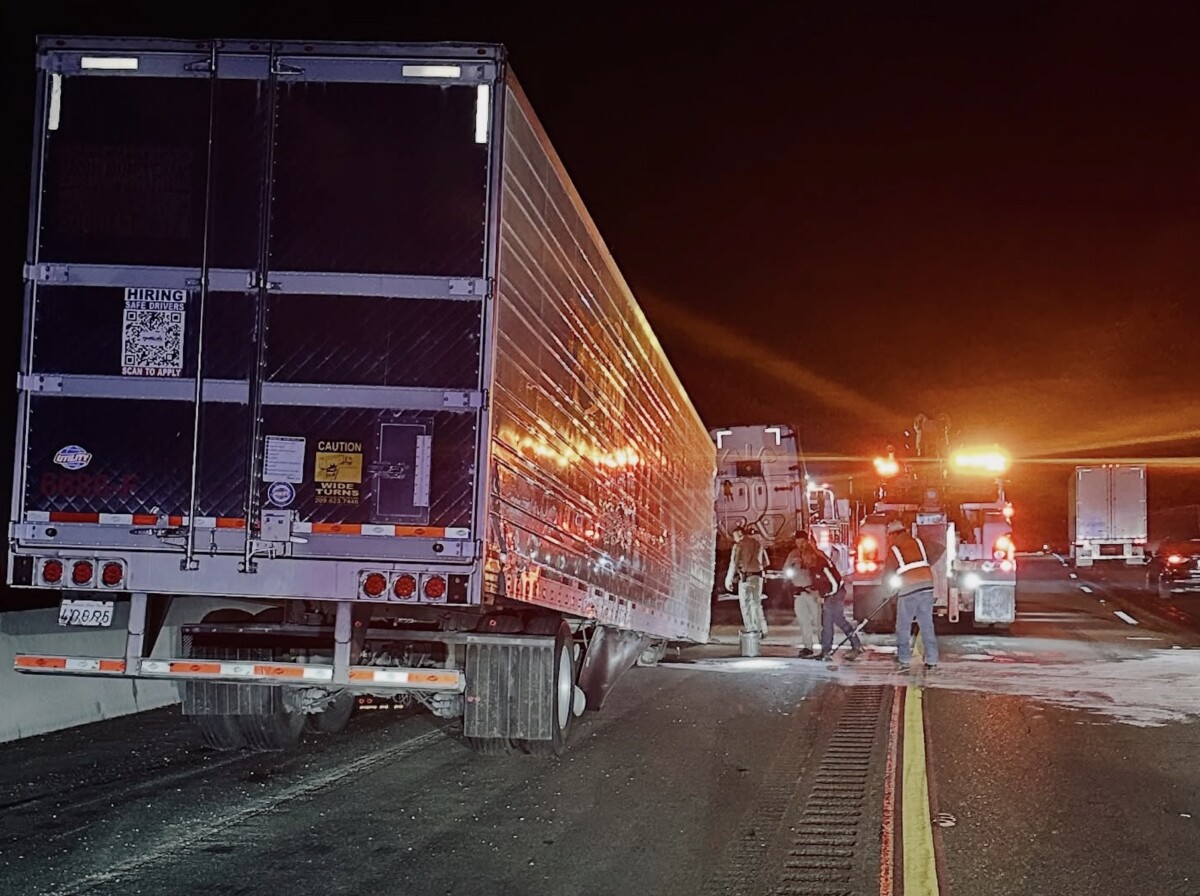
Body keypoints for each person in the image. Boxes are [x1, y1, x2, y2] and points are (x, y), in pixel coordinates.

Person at [883, 519, 940, 672]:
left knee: (903, 625)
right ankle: (932, 660)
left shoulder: (894, 548)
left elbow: (888, 574)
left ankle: (904, 659)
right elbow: (939, 548)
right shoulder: (918, 542)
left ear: (892, 535)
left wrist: (887, 592)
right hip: (927, 585)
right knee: (927, 625)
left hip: (909, 589)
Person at [804, 539, 861, 662]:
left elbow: (835, 582)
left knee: (828, 622)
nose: (805, 561)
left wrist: (825, 595)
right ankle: (855, 644)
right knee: (836, 620)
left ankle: (827, 650)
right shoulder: (815, 565)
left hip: (835, 594)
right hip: (832, 594)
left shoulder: (821, 564)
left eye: (805, 558)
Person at [726, 524, 769, 637]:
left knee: (746, 604)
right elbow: (766, 562)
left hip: (746, 578)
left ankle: (751, 629)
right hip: (758, 577)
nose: (734, 539)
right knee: (756, 603)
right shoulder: (758, 544)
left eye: (735, 536)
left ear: (739, 534)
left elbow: (733, 563)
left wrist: (729, 580)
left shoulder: (739, 545)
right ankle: (762, 629)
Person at [783, 531, 821, 657]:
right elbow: (786, 570)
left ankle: (824, 645)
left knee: (819, 621)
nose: (800, 545)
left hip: (813, 592)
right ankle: (807, 646)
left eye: (802, 542)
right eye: (797, 543)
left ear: (807, 541)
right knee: (804, 621)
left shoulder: (815, 554)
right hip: (799, 592)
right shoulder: (793, 554)